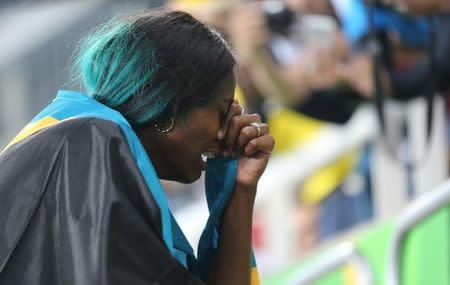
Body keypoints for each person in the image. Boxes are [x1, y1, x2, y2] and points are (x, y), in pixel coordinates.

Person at [0, 11, 274, 285]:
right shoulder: (91, 147)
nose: (227, 130)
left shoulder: (79, 140)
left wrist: (240, 188)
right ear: (171, 108)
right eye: (223, 111)